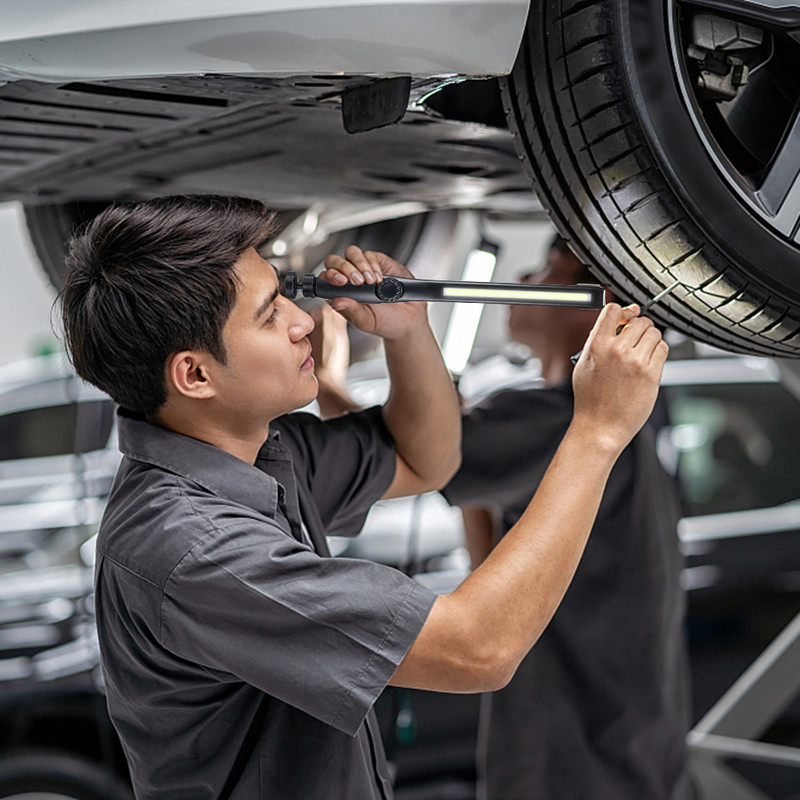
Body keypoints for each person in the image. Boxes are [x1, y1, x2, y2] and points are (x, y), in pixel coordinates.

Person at [58, 195, 667, 799]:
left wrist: (408, 334)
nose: (303, 321)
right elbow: (479, 650)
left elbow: (425, 459)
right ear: (195, 375)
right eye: (269, 315)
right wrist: (597, 432)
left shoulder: (261, 454)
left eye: (284, 295)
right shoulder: (197, 549)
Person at [442, 235, 694, 800]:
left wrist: (344, 367)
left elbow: (403, 458)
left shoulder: (557, 420)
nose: (522, 281)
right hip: (634, 757)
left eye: (544, 270)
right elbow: (488, 561)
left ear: (594, 305)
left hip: (571, 765)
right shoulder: (627, 424)